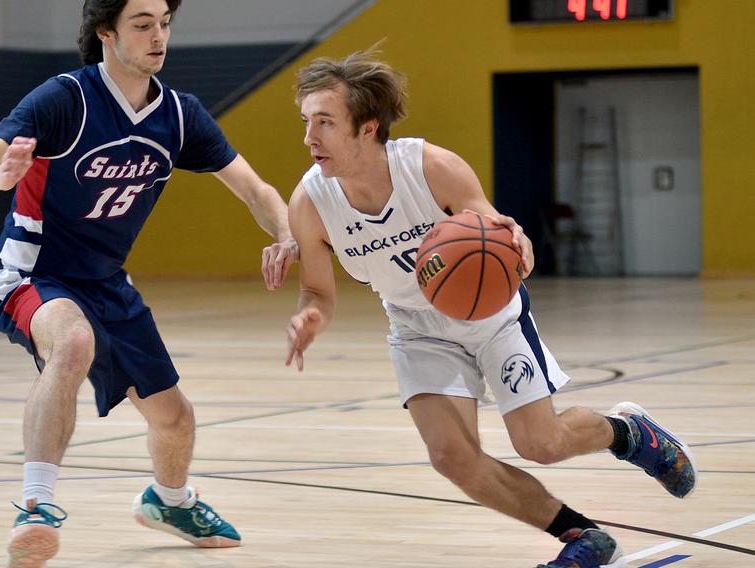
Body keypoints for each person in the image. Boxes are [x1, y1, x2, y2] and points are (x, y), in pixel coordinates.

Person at [283, 50, 697, 568]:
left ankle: (629, 433)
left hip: (490, 315)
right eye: (306, 122)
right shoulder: (311, 201)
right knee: (451, 458)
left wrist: (515, 240)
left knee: (541, 444)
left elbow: (492, 227)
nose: (309, 137)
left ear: (367, 127)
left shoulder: (430, 167)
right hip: (416, 328)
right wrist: (311, 316)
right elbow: (318, 291)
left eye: (324, 122)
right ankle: (583, 538)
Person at [0, 1, 297, 566]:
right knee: (74, 342)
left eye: (164, 22)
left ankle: (169, 500)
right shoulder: (65, 98)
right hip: (34, 275)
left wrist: (285, 232)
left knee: (175, 420)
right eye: (143, 24)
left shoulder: (179, 116)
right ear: (106, 32)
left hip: (108, 283)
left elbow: (256, 190)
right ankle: (35, 506)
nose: (158, 35)